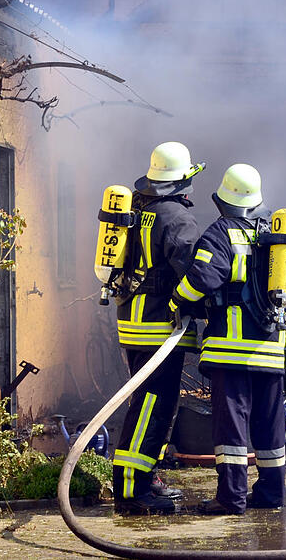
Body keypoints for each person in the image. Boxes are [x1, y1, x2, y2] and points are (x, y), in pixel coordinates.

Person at [169, 163, 286, 515]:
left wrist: (178, 299)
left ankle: (231, 498)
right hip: (271, 349)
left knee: (232, 426)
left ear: (224, 199)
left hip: (231, 351)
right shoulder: (273, 235)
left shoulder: (221, 233)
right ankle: (271, 494)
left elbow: (202, 278)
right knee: (270, 425)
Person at [111, 142, 205, 516]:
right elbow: (192, 273)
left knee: (147, 401)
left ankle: (145, 477)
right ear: (182, 182)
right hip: (157, 328)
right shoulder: (177, 218)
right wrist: (207, 305)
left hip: (133, 323)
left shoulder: (140, 208)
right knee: (152, 405)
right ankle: (132, 492)